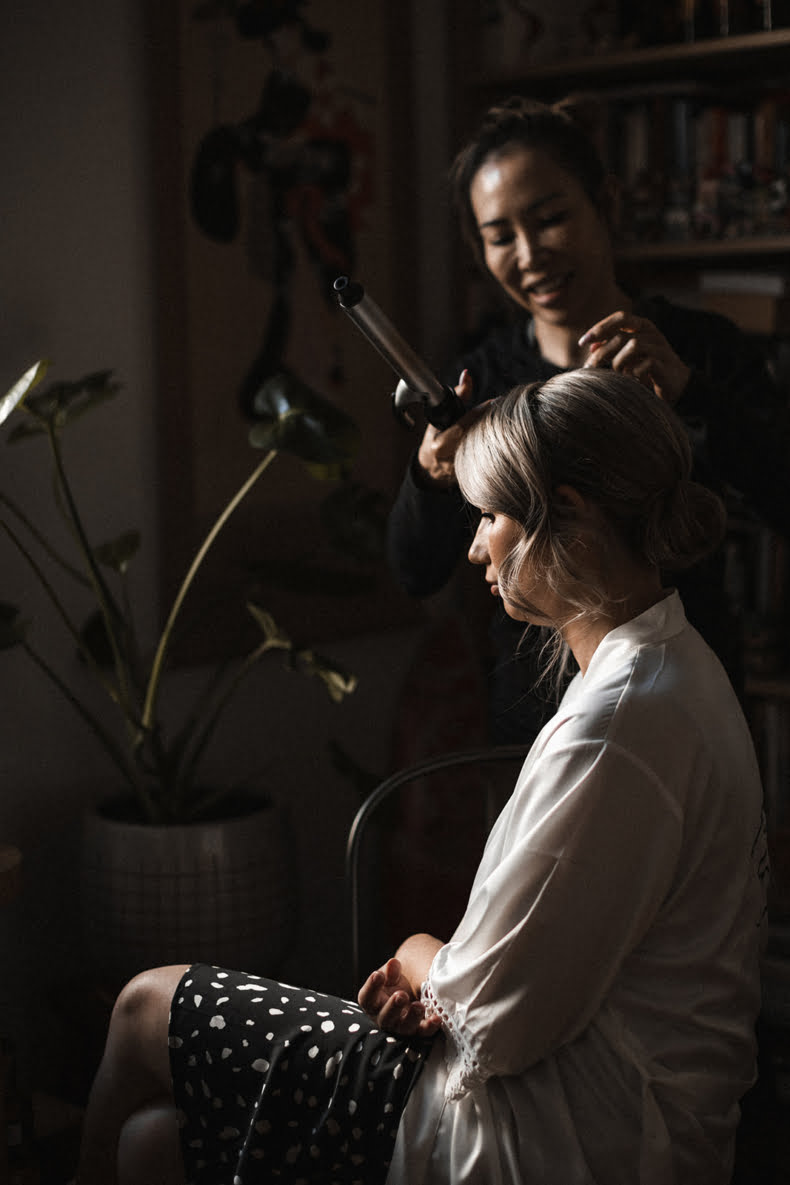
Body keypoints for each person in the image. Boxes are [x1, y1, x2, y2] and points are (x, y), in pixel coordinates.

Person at [75, 369, 768, 1184]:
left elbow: (493, 1021)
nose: (475, 547)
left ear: (570, 512)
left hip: (561, 1131)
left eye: (491, 516)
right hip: (622, 1111)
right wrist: (442, 974)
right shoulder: (677, 663)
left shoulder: (618, 724)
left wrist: (413, 955)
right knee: (152, 1144)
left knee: (144, 1007)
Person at [387, 95, 789, 743]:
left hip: (683, 696)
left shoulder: (698, 348)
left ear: (606, 204)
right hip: (537, 719)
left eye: (550, 219)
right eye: (500, 237)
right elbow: (416, 571)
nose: (529, 255)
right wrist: (432, 470)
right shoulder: (479, 382)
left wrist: (692, 395)